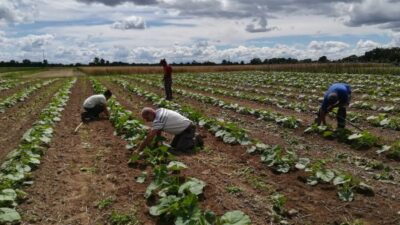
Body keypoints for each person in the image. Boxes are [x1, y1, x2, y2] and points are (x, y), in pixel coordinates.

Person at [136, 107, 203, 153]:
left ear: (151, 113)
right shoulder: (160, 110)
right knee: (173, 147)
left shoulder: (159, 119)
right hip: (181, 131)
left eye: (147, 118)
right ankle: (188, 139)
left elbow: (150, 136)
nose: (147, 121)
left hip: (188, 129)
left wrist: (139, 150)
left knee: (181, 150)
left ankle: (196, 139)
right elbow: (158, 130)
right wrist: (156, 143)